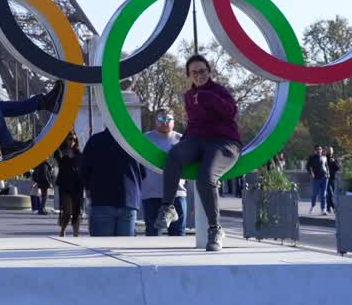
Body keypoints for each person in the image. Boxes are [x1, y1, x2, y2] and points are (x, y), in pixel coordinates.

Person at [156, 55, 242, 252]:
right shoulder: (189, 96)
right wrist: (182, 144)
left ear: (209, 72)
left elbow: (231, 112)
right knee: (174, 155)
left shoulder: (220, 91)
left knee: (205, 177)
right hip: (198, 140)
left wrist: (208, 97)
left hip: (224, 142)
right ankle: (168, 207)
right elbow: (193, 124)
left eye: (202, 71)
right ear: (189, 75)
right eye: (194, 72)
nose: (198, 75)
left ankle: (215, 229)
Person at [81, 127, 143, 236]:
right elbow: (143, 172)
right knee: (124, 245)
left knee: (102, 244)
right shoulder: (134, 140)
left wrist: (89, 188)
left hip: (102, 199)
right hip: (129, 199)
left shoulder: (95, 140)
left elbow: (83, 170)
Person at [141, 107, 186, 236]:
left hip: (177, 195)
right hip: (152, 194)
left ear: (174, 121)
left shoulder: (182, 140)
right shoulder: (145, 139)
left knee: (178, 234)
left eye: (168, 119)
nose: (164, 122)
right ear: (155, 121)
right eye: (161, 119)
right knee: (152, 233)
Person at [55, 132, 84, 237]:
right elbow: (55, 154)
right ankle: (62, 230)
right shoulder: (60, 152)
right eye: (70, 139)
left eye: (74, 139)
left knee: (76, 211)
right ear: (65, 140)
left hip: (77, 185)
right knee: (67, 211)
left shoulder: (78, 153)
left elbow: (82, 167)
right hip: (65, 185)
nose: (72, 141)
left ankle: (76, 234)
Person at [306, 144, 330, 215]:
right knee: (314, 194)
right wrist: (311, 173)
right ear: (315, 151)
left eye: (320, 149)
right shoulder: (312, 158)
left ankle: (323, 209)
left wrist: (328, 173)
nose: (319, 150)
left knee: (323, 194)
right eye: (317, 149)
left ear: (322, 150)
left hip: (324, 177)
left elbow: (326, 166)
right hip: (316, 178)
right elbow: (308, 166)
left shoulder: (324, 157)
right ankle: (313, 206)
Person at [325, 147, 342, 212]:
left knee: (331, 194)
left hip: (333, 178)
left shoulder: (335, 158)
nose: (330, 151)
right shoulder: (325, 158)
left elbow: (338, 168)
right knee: (330, 193)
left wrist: (334, 162)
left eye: (331, 150)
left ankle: (328, 207)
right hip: (326, 177)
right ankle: (333, 206)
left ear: (333, 151)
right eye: (328, 150)